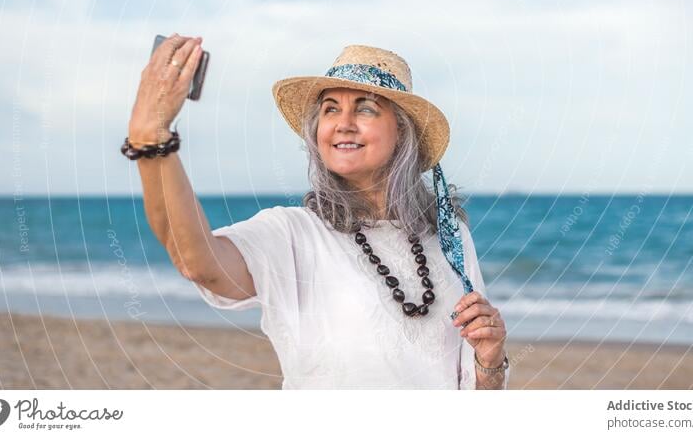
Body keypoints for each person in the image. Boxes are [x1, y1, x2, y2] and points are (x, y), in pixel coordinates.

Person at [125, 36, 509, 389]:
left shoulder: (449, 236)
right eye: (330, 109)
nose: (343, 124)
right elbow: (201, 264)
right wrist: (152, 140)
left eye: (365, 108)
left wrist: (490, 361)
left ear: (402, 132)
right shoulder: (292, 234)